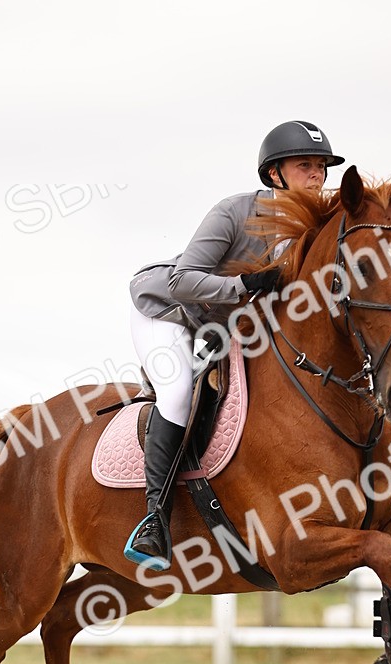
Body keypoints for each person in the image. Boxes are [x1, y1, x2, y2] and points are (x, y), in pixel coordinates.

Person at [124, 120, 345, 570]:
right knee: (180, 392)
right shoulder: (235, 212)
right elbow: (183, 280)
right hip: (169, 311)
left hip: (234, 326)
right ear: (274, 174)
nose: (318, 176)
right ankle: (154, 519)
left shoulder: (320, 227)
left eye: (322, 167)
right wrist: (246, 283)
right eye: (306, 166)